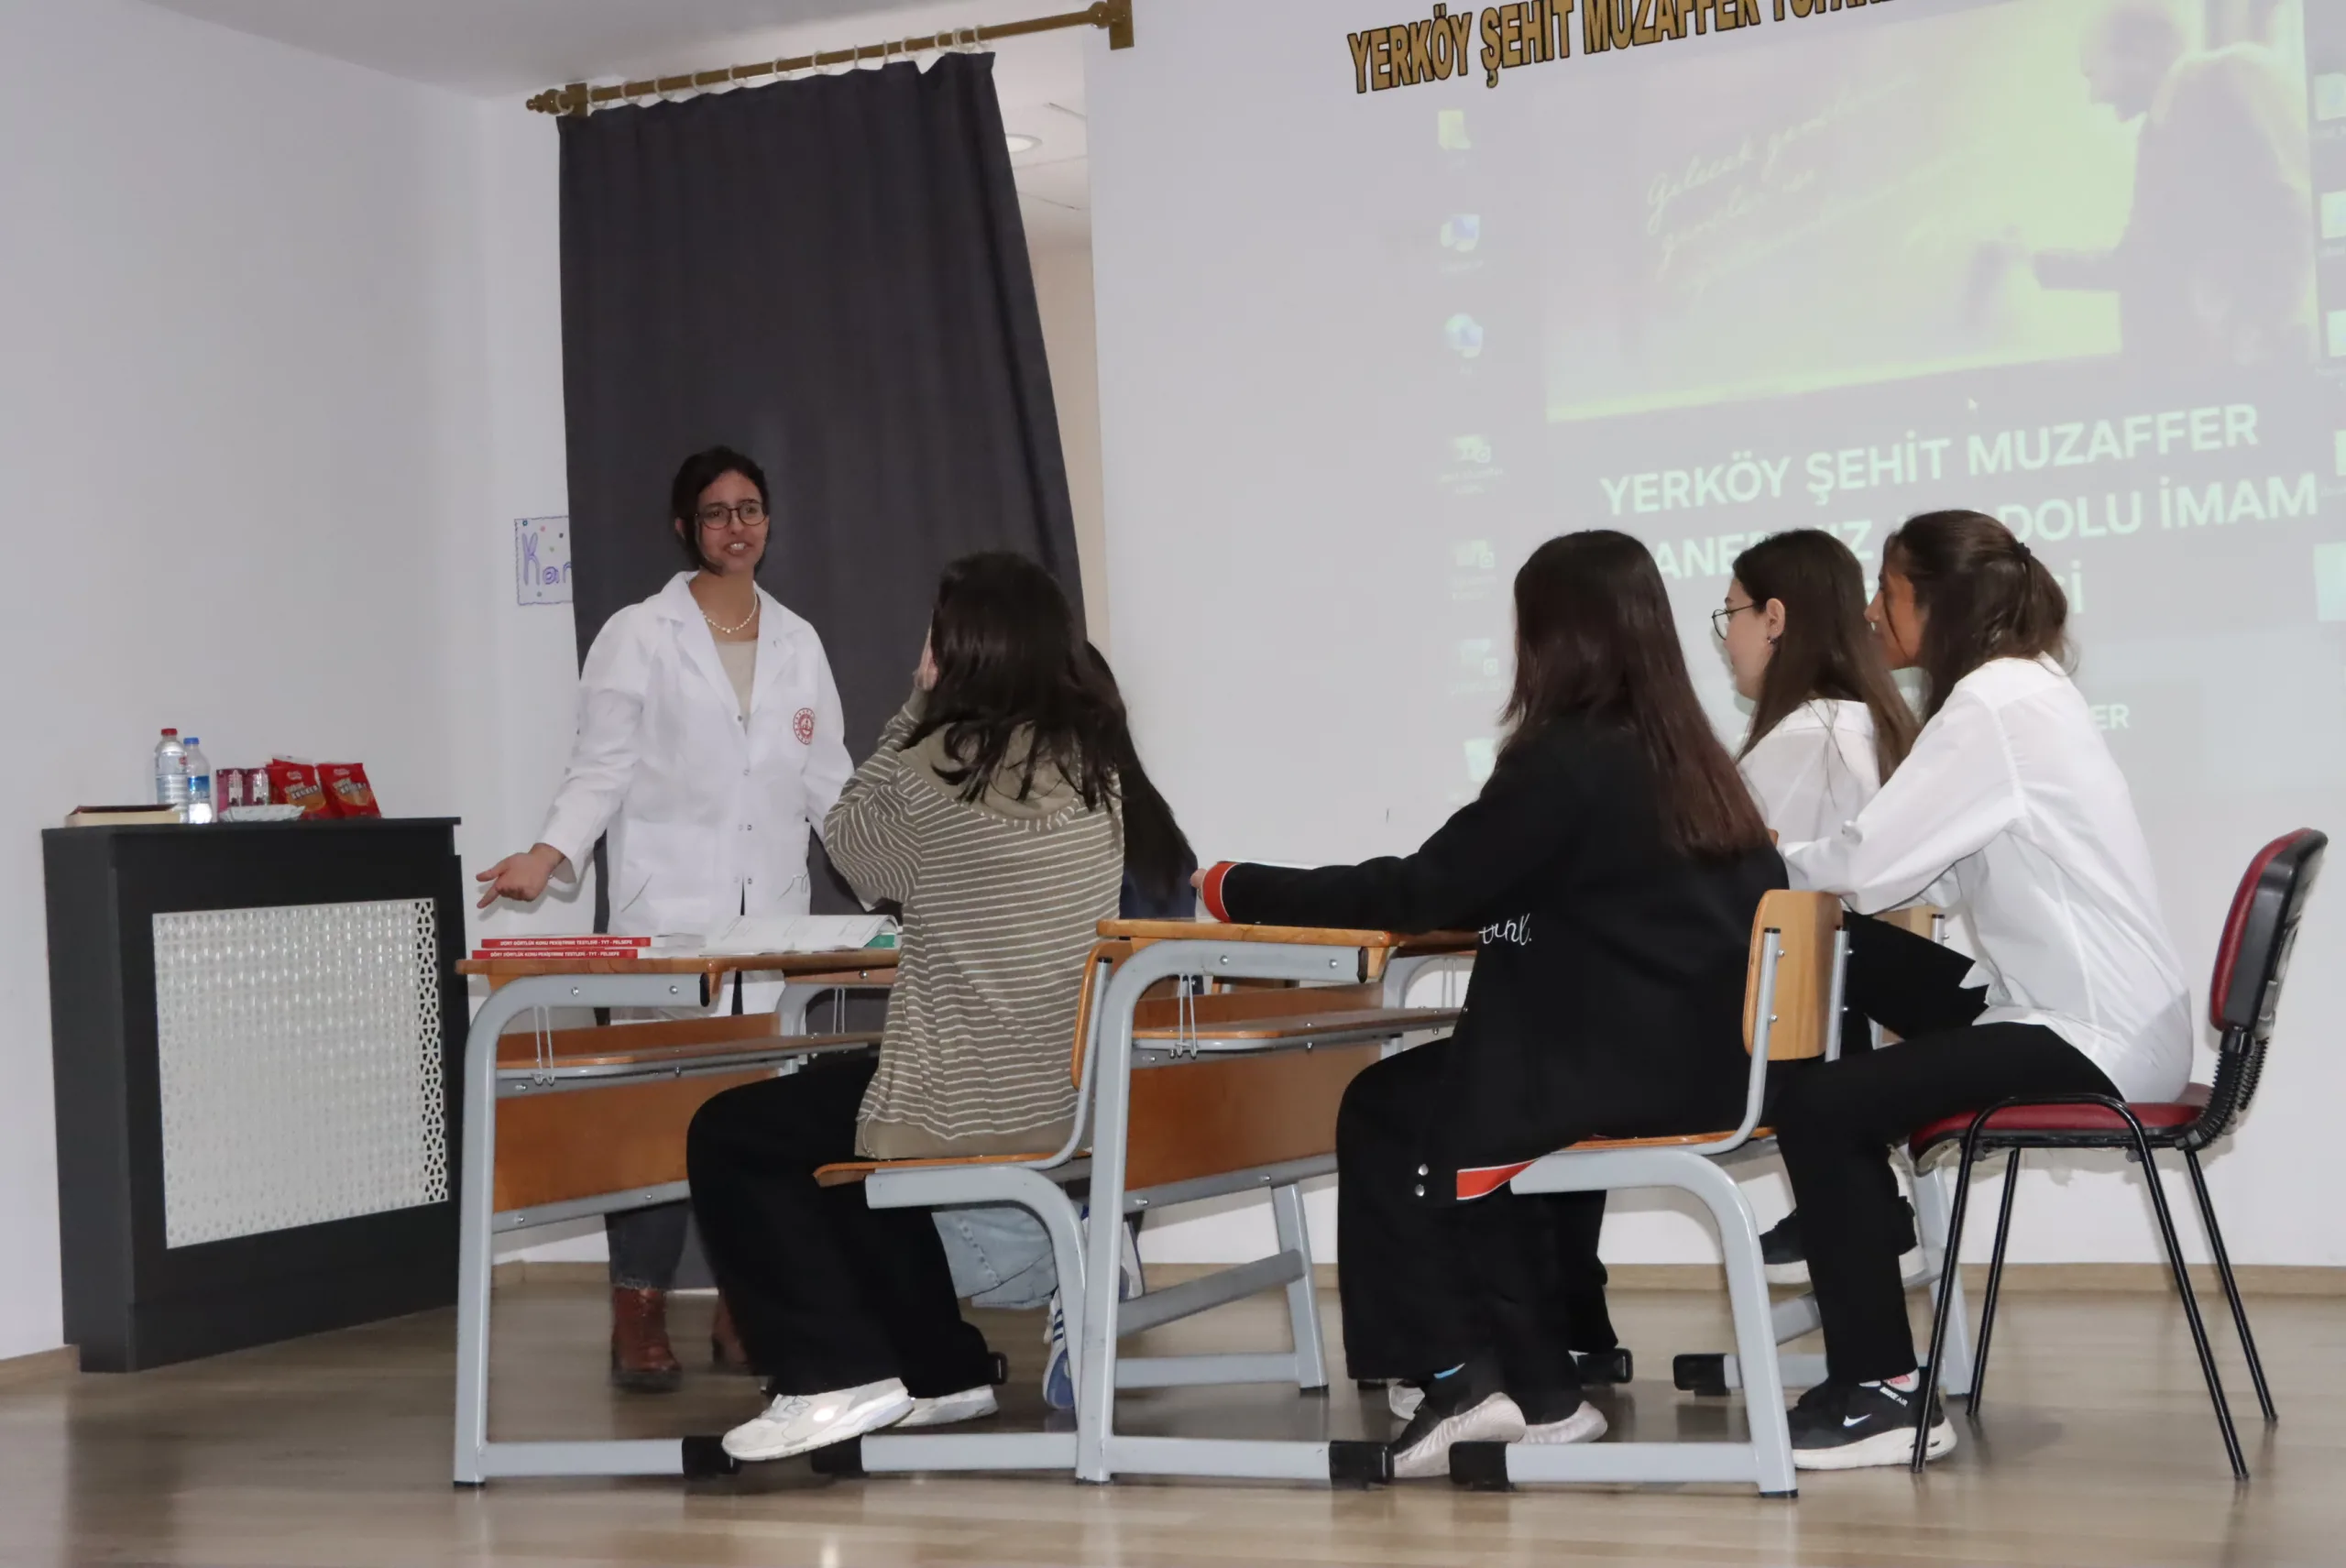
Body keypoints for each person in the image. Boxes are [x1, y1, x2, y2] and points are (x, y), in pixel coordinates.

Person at [1195, 531, 1784, 1478]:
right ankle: (1529, 1385)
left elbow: (1418, 890)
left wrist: (1239, 887)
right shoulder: (1688, 759)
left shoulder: (1567, 758)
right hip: (1709, 1062)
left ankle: (1469, 1377)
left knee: (1395, 1108)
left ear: (1554, 639)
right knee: (1426, 1093)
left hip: (1621, 1069)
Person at [686, 553, 1132, 1463]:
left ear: (958, 649)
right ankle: (939, 1367)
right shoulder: (1096, 769)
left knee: (731, 1132)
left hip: (961, 1099)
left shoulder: (944, 765)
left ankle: (831, 1372)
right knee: (841, 1108)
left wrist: (916, 707)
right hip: (1061, 1085)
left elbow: (851, 846)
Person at [1770, 510, 2191, 1470]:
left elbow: (1867, 863)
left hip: (2089, 1031)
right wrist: (1807, 871)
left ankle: (1881, 1390)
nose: (1870, 614)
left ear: (1937, 600)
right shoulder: (2022, 688)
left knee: (1822, 1106)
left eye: (1886, 591)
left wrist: (1759, 862)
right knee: (1842, 952)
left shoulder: (1992, 703)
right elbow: (1923, 877)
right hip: (2078, 1007)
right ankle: (1854, 1207)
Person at [476, 445, 851, 1391]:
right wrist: (549, 854)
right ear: (687, 527)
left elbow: (828, 783)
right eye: (717, 512)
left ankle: (745, 1303)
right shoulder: (640, 634)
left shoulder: (799, 641)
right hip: (670, 918)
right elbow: (600, 768)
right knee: (656, 1117)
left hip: (768, 925)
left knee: (761, 1117)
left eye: (751, 508)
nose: (737, 526)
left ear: (769, 520)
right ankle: (637, 1305)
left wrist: (895, 870)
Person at [1716, 528, 1920, 1279]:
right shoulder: (1873, 724)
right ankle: (1863, 1193)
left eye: (1730, 613)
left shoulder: (1805, 741)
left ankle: (1849, 1194)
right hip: (1840, 1033)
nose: (1726, 637)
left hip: (1788, 1044)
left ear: (1774, 617)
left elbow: (1750, 899)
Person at [2022, 0, 2313, 366]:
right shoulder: (2156, 132)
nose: (2094, 97)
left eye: (2093, 74)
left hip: (2263, 358)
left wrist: (2262, 329)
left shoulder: (2230, 72)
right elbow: (2143, 258)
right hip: (2209, 365)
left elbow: (2293, 206)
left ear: (2136, 54)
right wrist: (2035, 262)